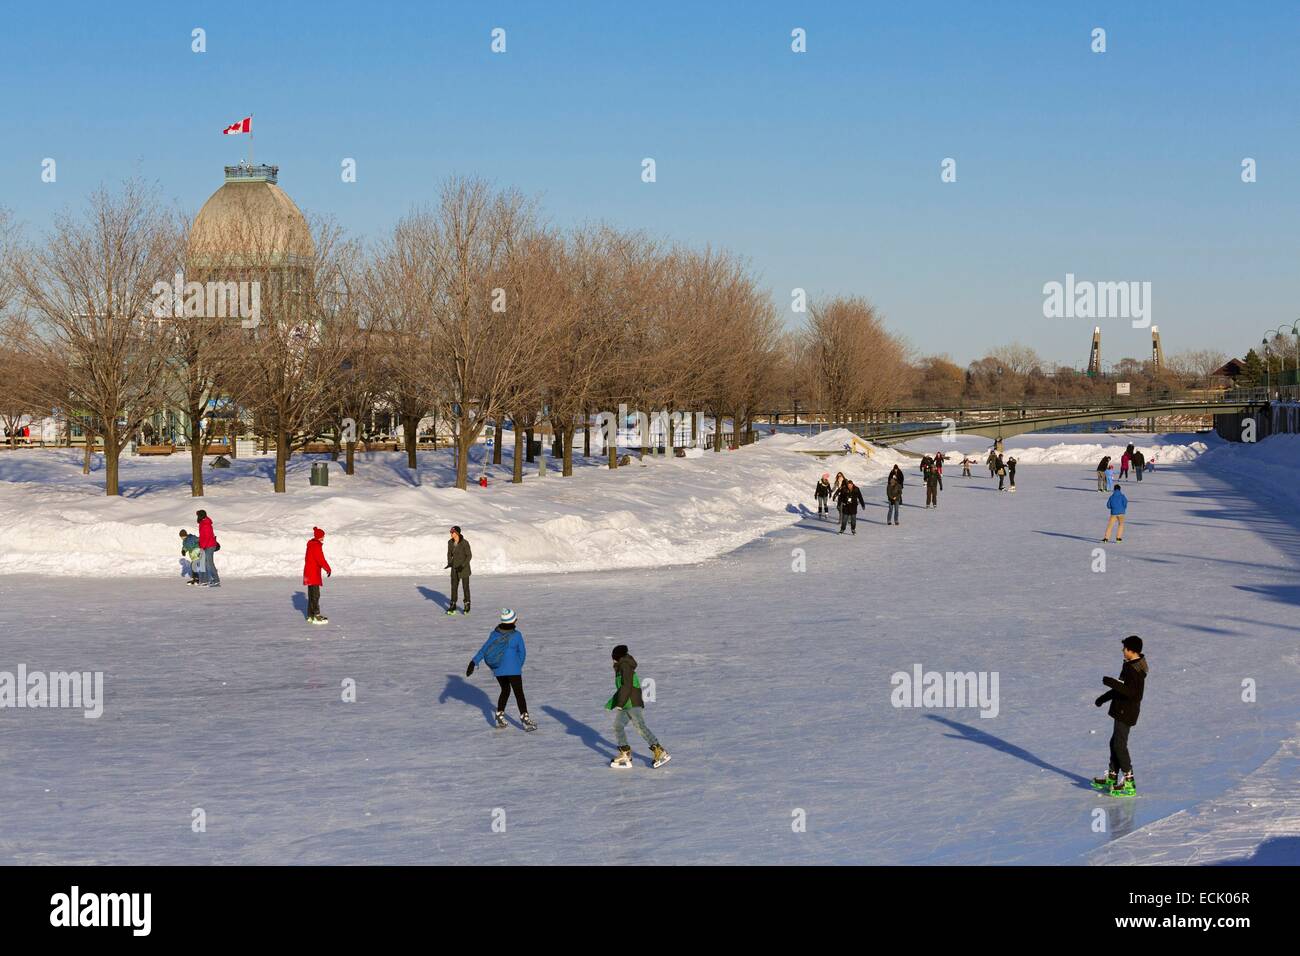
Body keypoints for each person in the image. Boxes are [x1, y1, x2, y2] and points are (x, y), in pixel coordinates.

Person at [1092, 635, 1148, 796]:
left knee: (1119, 744)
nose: (1122, 650)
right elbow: (1122, 687)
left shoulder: (1134, 670)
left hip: (1127, 711)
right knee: (1115, 742)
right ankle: (1112, 776)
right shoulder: (1131, 665)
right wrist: (1104, 697)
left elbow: (1133, 694)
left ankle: (1129, 781)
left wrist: (1111, 682)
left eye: (1125, 648)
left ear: (1132, 650)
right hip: (1122, 709)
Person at [466, 608, 536, 730]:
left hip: (498, 670)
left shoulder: (494, 634)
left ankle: (499, 714)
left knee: (505, 690)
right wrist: (517, 666)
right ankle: (525, 718)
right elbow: (522, 653)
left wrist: (473, 662)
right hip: (514, 670)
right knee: (519, 693)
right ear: (513, 621)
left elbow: (484, 649)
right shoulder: (517, 635)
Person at [606, 644, 669, 769]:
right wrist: (613, 703)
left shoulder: (625, 666)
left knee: (640, 726)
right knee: (618, 726)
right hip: (626, 703)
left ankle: (659, 751)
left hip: (632, 702)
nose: (612, 659)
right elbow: (621, 688)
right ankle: (625, 753)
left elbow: (627, 686)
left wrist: (620, 703)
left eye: (613, 657)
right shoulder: (621, 667)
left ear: (616, 656)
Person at [303, 526, 332, 624]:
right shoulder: (316, 546)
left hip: (309, 573)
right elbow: (321, 560)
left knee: (312, 595)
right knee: (315, 595)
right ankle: (316, 615)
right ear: (320, 536)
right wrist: (328, 568)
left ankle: (310, 615)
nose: (324, 537)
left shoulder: (311, 545)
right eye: (323, 536)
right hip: (313, 574)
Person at [445, 526, 471, 615]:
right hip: (454, 569)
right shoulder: (450, 542)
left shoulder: (464, 543)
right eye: (450, 532)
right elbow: (449, 553)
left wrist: (462, 565)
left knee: (465, 587)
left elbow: (469, 556)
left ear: (457, 533)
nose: (451, 534)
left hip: (464, 569)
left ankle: (467, 604)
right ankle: (453, 604)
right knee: (454, 587)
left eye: (453, 532)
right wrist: (450, 562)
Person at [196, 509, 220, 587]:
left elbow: (207, 537)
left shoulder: (206, 524)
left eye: (198, 515)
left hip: (209, 546)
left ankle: (216, 580)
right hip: (206, 545)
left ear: (201, 516)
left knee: (209, 563)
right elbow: (203, 536)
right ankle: (205, 581)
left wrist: (202, 547)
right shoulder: (203, 522)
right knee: (205, 563)